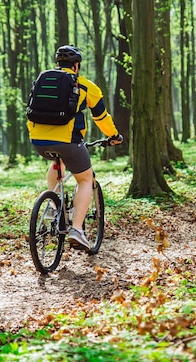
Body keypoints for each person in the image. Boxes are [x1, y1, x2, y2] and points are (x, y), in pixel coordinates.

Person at [27, 45, 123, 250]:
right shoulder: (85, 86)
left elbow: (31, 110)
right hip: (69, 142)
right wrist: (114, 135)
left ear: (58, 64)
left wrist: (37, 135)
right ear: (76, 65)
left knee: (56, 163)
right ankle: (77, 229)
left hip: (38, 141)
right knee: (85, 178)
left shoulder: (43, 81)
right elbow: (101, 117)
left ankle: (53, 207)